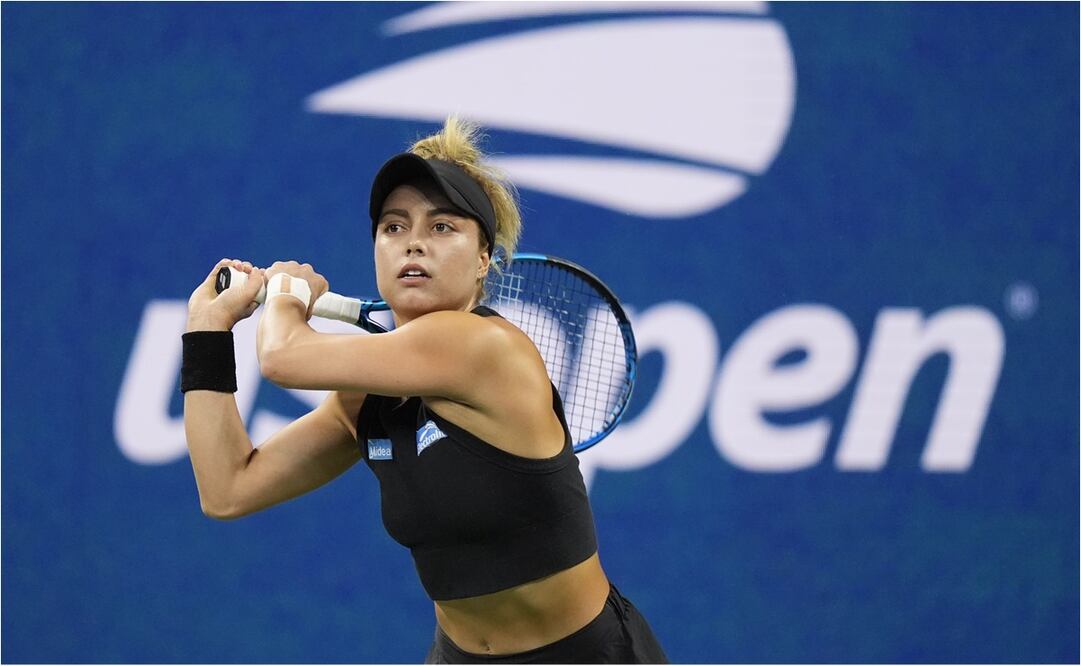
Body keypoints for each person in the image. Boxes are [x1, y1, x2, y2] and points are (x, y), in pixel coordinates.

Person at [181, 117, 668, 664]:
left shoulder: (480, 346)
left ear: (483, 260)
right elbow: (228, 489)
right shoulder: (362, 400)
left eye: (442, 227)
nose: (413, 242)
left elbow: (282, 357)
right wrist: (205, 331)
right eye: (394, 227)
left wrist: (288, 293)